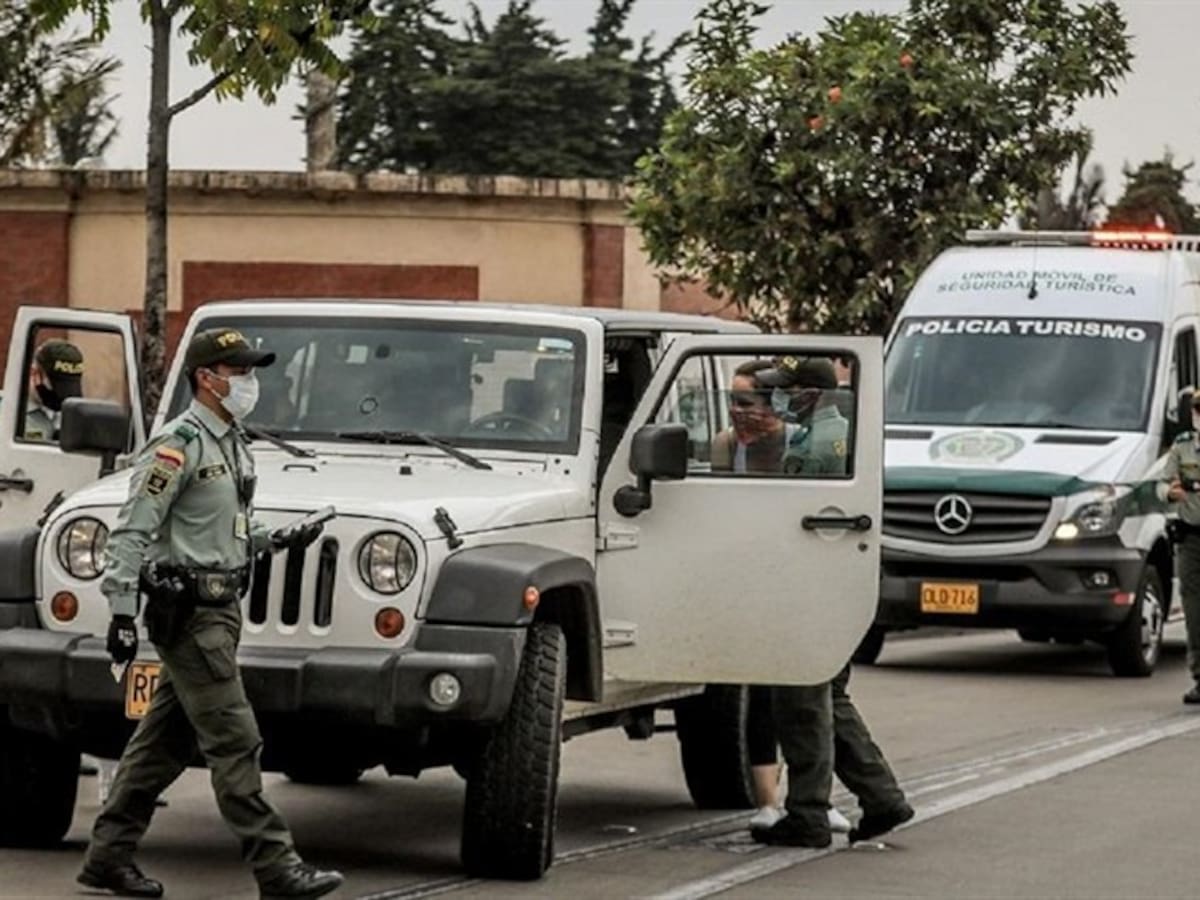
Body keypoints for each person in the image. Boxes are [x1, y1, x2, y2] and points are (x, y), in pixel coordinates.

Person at [78, 328, 342, 899]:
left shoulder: (230, 441)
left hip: (220, 610)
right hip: (192, 616)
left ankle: (106, 858)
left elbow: (220, 533)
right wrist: (122, 613)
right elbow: (132, 531)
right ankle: (277, 867)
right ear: (207, 377)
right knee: (235, 740)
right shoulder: (180, 444)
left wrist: (278, 539)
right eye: (239, 370)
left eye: (250, 370)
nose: (249, 381)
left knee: (160, 746)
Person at [749, 356, 914, 848]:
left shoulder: (819, 443)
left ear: (811, 393)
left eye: (789, 390)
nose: (782, 398)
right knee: (829, 697)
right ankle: (882, 798)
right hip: (834, 584)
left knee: (800, 699)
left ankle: (808, 814)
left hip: (810, 586)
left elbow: (795, 517)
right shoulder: (832, 433)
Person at [710, 361, 851, 835]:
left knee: (808, 695)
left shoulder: (805, 441)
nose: (739, 411)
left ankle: (813, 799)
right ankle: (779, 800)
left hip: (798, 580)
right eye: (733, 401)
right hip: (750, 577)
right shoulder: (727, 447)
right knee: (770, 693)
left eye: (748, 402)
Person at [1161, 392, 1200, 704]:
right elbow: (1162, 482)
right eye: (1199, 409)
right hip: (1191, 538)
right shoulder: (1183, 445)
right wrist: (1170, 491)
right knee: (1193, 608)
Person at [23, 339, 84, 441]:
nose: (62, 397)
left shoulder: (76, 416)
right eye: (57, 386)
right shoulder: (6, 414)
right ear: (34, 374)